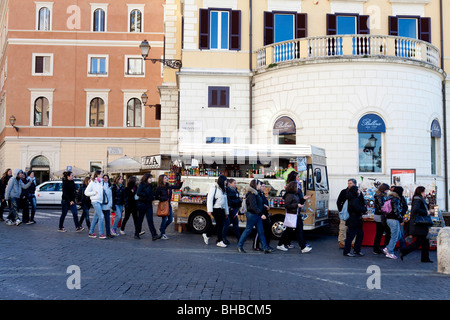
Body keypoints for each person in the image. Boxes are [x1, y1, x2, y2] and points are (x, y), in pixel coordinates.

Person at [237, 179, 273, 254]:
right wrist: (261, 214)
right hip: (252, 215)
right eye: (259, 184)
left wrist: (263, 206)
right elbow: (253, 206)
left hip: (256, 214)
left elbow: (257, 204)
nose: (261, 186)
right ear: (256, 185)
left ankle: (265, 247)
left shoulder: (256, 193)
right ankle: (239, 246)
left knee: (261, 231)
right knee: (248, 230)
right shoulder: (252, 194)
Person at [400, 186, 433, 263]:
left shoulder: (418, 199)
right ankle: (404, 251)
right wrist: (426, 212)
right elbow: (415, 209)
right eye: (424, 192)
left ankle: (425, 258)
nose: (425, 194)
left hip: (420, 224)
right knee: (420, 241)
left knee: (425, 242)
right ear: (421, 192)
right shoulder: (418, 199)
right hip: (419, 224)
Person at [277, 181, 312, 253]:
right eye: (297, 186)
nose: (298, 188)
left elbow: (297, 202)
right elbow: (287, 205)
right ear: (293, 187)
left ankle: (280, 244)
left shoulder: (294, 194)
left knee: (289, 230)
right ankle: (303, 247)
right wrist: (297, 205)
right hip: (293, 214)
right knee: (298, 230)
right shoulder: (289, 195)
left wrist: (303, 199)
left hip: (295, 214)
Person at [203, 175, 229, 247]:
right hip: (216, 208)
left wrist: (226, 212)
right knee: (220, 224)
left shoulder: (224, 189)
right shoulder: (214, 187)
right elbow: (210, 199)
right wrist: (209, 210)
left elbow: (225, 201)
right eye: (225, 181)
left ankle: (207, 235)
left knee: (219, 224)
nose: (226, 182)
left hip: (222, 209)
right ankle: (219, 241)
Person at [155, 174, 183, 240]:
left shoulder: (168, 186)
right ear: (161, 179)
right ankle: (162, 234)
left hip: (168, 204)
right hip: (163, 204)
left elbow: (177, 187)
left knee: (170, 219)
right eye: (165, 178)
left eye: (167, 177)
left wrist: (181, 182)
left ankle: (162, 228)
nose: (167, 179)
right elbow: (156, 196)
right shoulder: (159, 187)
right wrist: (163, 198)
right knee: (164, 219)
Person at [135, 173, 161, 240]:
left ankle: (154, 235)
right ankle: (136, 233)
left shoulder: (151, 185)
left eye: (151, 178)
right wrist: (146, 194)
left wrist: (153, 197)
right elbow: (138, 192)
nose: (151, 179)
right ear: (146, 178)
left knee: (150, 220)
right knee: (140, 220)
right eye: (150, 178)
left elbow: (151, 193)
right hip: (142, 204)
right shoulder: (142, 184)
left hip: (149, 204)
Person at [337, 179, 360, 249]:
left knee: (353, 229)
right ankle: (342, 242)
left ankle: (353, 242)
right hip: (345, 213)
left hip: (353, 214)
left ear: (355, 184)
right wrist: (341, 210)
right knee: (342, 228)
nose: (349, 184)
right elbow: (338, 201)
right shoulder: (344, 191)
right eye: (348, 183)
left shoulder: (357, 192)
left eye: (351, 183)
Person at [343, 185, 366, 257]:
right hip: (354, 220)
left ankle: (356, 250)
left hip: (355, 220)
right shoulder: (354, 199)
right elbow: (358, 209)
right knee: (351, 236)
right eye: (358, 190)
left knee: (359, 235)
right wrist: (364, 209)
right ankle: (347, 251)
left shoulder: (352, 198)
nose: (359, 192)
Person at [384, 186, 404, 259]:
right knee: (395, 236)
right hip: (394, 219)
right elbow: (396, 211)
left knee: (398, 236)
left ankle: (388, 248)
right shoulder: (396, 199)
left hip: (389, 219)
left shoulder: (388, 197)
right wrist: (401, 219)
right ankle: (390, 252)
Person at [85, 170, 106, 239]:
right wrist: (94, 193)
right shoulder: (93, 182)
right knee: (101, 216)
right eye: (101, 174)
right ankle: (101, 233)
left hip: (100, 201)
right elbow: (86, 192)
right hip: (95, 201)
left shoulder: (101, 182)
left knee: (95, 218)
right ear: (97, 175)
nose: (102, 175)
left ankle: (91, 232)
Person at [372, 183, 391, 254]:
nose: (388, 191)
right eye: (387, 189)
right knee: (385, 232)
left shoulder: (378, 194)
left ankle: (376, 248)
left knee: (379, 233)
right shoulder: (381, 196)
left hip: (377, 215)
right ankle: (382, 248)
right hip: (381, 216)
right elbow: (382, 206)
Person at [253, 182, 271, 250]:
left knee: (267, 230)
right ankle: (255, 245)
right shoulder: (257, 194)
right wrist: (264, 206)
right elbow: (257, 204)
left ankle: (266, 245)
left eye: (264, 186)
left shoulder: (262, 195)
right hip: (261, 214)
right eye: (262, 186)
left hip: (265, 214)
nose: (264, 188)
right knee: (259, 230)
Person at [223, 178, 242, 245]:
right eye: (234, 183)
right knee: (228, 224)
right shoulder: (228, 191)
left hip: (235, 209)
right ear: (230, 184)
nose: (235, 184)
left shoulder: (235, 190)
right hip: (230, 209)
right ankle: (223, 238)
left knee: (234, 224)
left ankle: (239, 238)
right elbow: (229, 201)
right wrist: (238, 201)